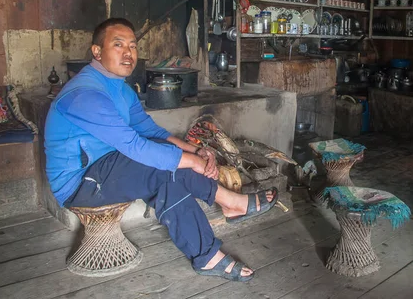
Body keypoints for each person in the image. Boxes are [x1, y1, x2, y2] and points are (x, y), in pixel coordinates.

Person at [44, 18, 278, 282]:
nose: (128, 53)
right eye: (118, 45)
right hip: (78, 183)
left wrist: (194, 150)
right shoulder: (85, 94)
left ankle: (210, 250)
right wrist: (193, 162)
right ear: (97, 51)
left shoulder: (121, 90)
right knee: (163, 168)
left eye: (132, 46)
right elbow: (135, 146)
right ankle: (230, 205)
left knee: (167, 166)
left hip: (108, 166)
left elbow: (151, 132)